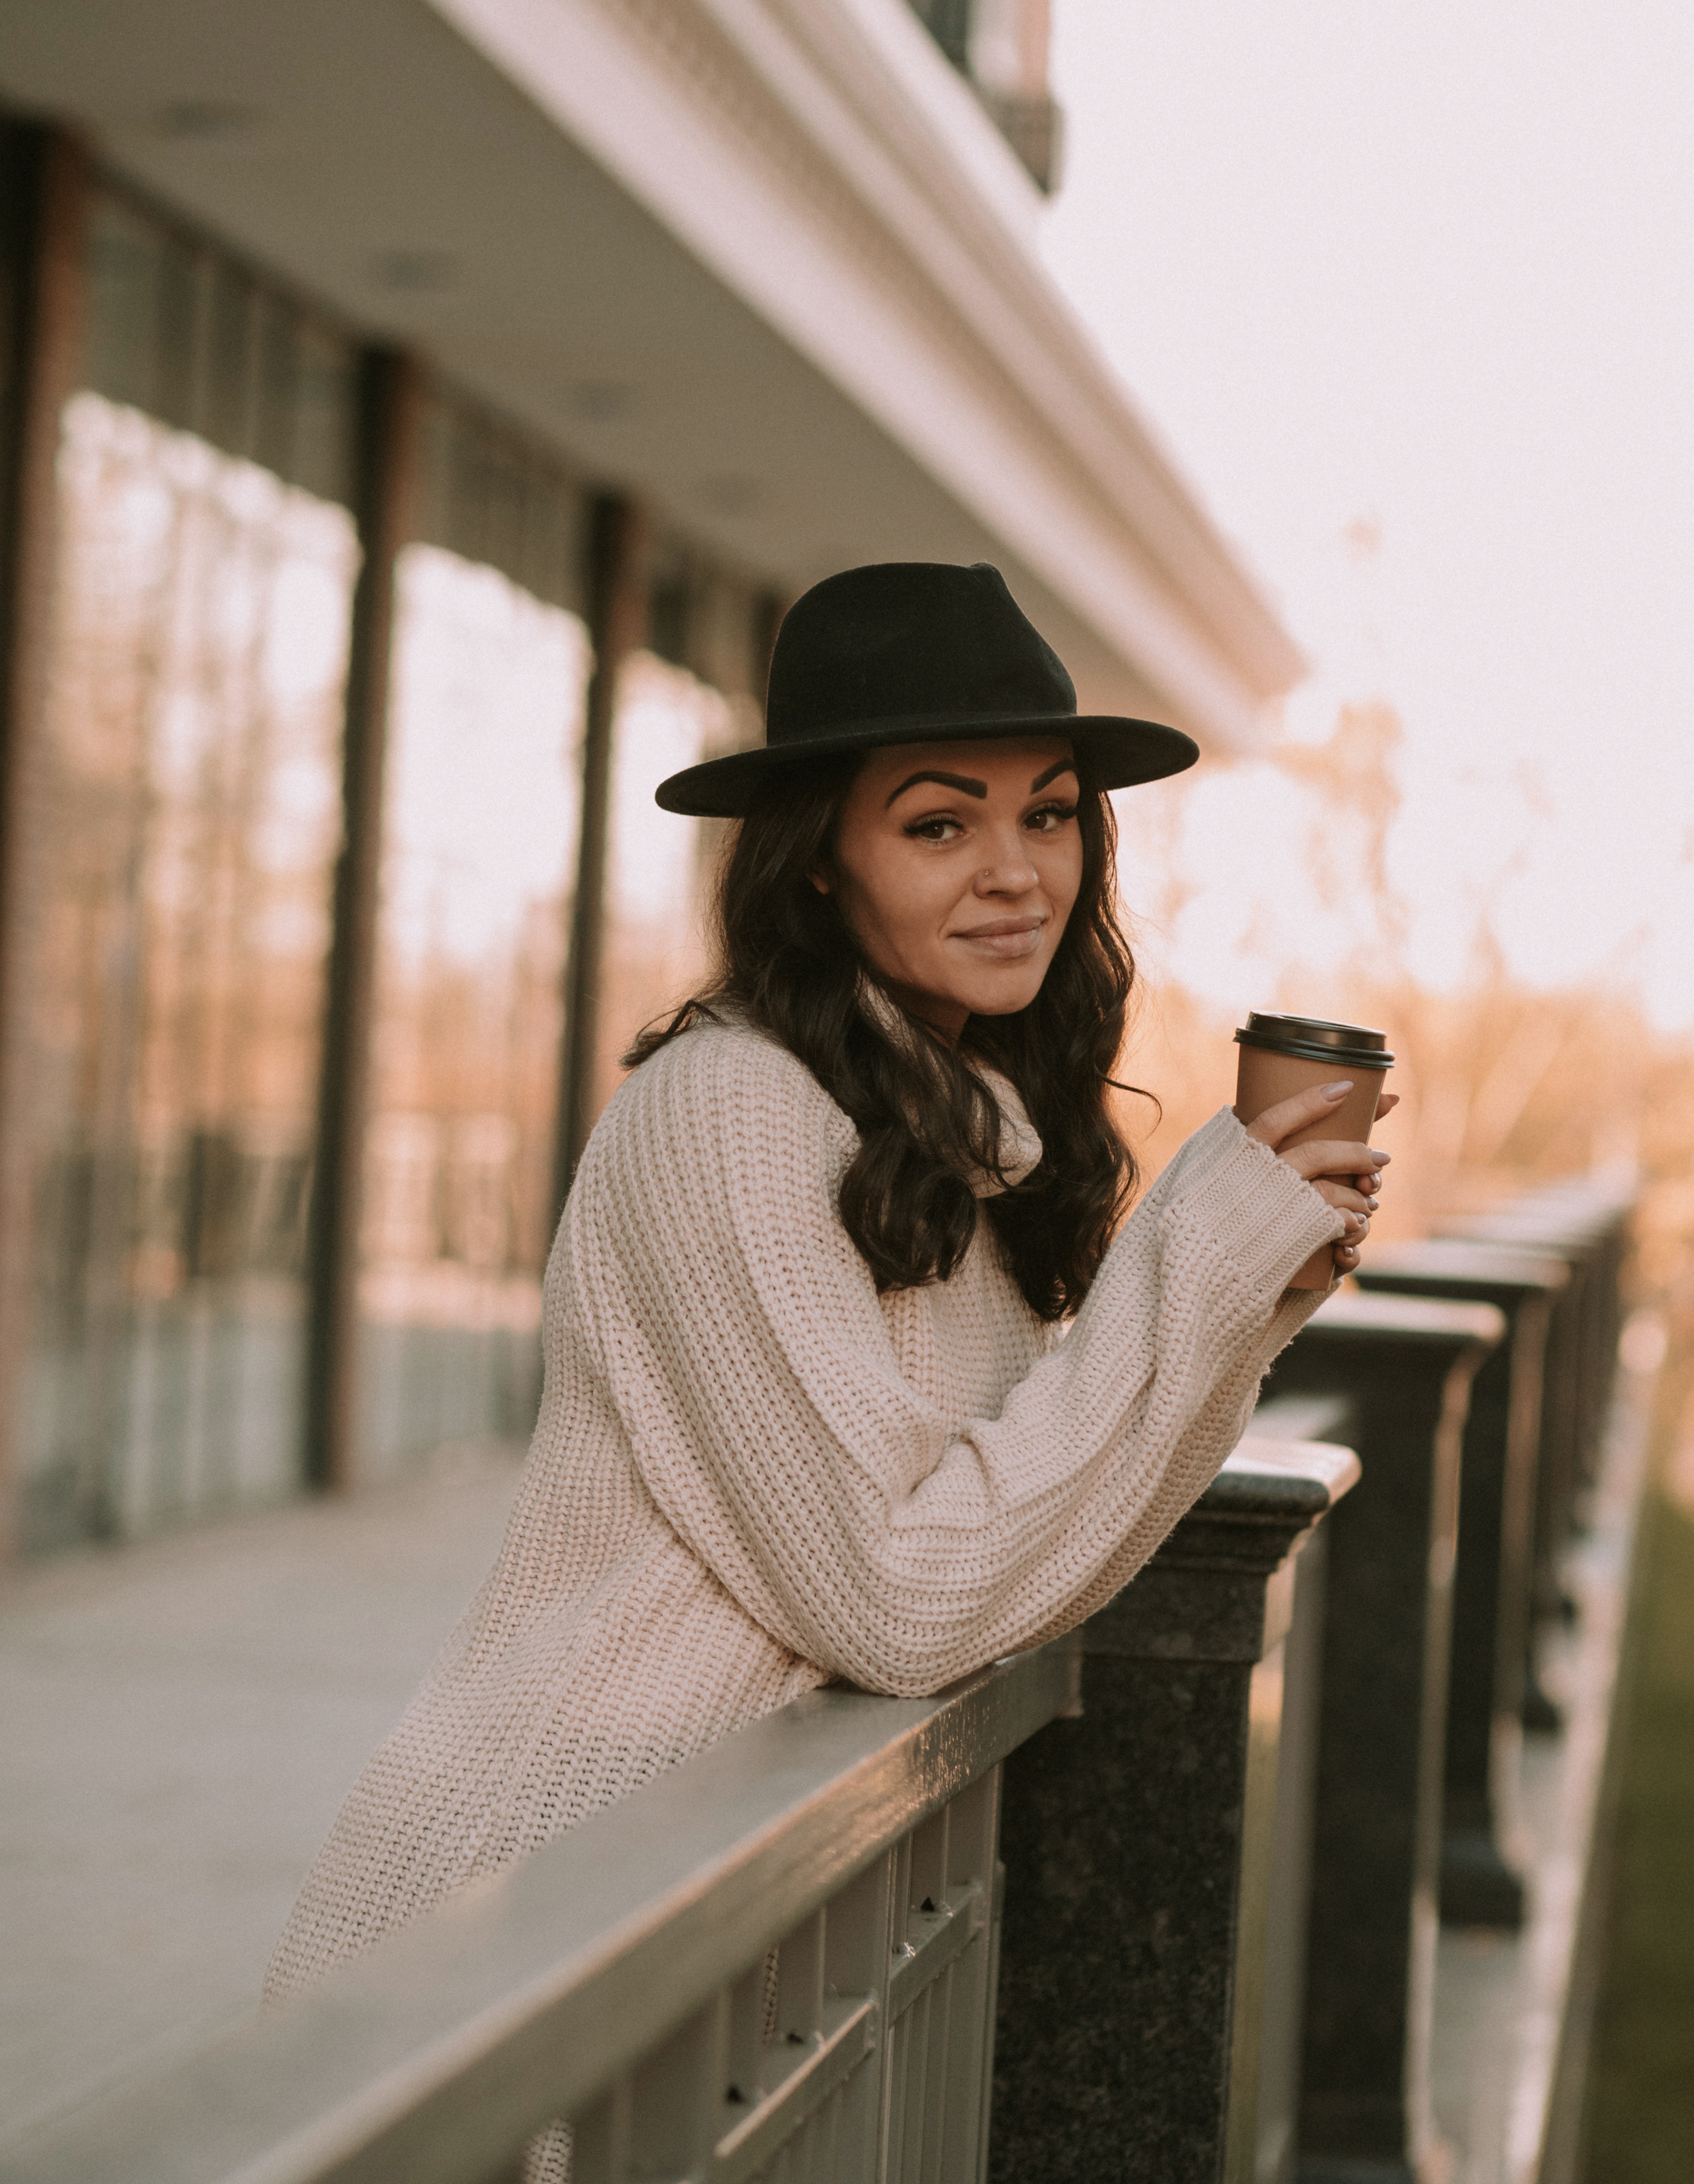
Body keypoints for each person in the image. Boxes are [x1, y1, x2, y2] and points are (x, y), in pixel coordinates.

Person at [267, 562, 1390, 1999]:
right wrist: (1198, 1257)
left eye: (1050, 813)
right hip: (532, 1911)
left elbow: (1036, 1536)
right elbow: (903, 1597)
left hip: (707, 1915)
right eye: (939, 823)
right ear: (816, 857)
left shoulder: (955, 1132)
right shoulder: (728, 1110)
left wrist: (1250, 1294)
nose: (1017, 870)